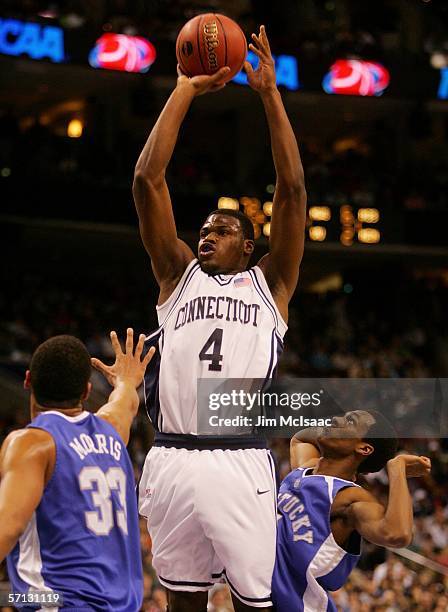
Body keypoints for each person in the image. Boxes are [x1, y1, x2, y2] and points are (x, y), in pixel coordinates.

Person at [133, 25, 306, 612]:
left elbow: (292, 189)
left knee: (254, 604)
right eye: (204, 228)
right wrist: (183, 89)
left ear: (249, 247)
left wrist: (270, 96)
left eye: (223, 229)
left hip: (240, 460)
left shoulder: (271, 284)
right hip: (172, 455)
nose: (208, 233)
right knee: (181, 603)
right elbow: (146, 181)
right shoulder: (176, 277)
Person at [0, 329, 155, 611]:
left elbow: (6, 528)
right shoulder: (112, 431)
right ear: (86, 390)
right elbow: (126, 400)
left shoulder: (31, 444)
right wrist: (126, 379)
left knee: (13, 597)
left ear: (27, 381)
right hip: (124, 605)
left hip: (58, 603)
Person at [272, 409, 432, 611]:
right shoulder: (305, 469)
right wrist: (331, 431)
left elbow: (397, 535)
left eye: (350, 421)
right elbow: (300, 438)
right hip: (262, 597)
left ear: (364, 448)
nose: (335, 418)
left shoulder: (349, 497)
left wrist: (396, 469)